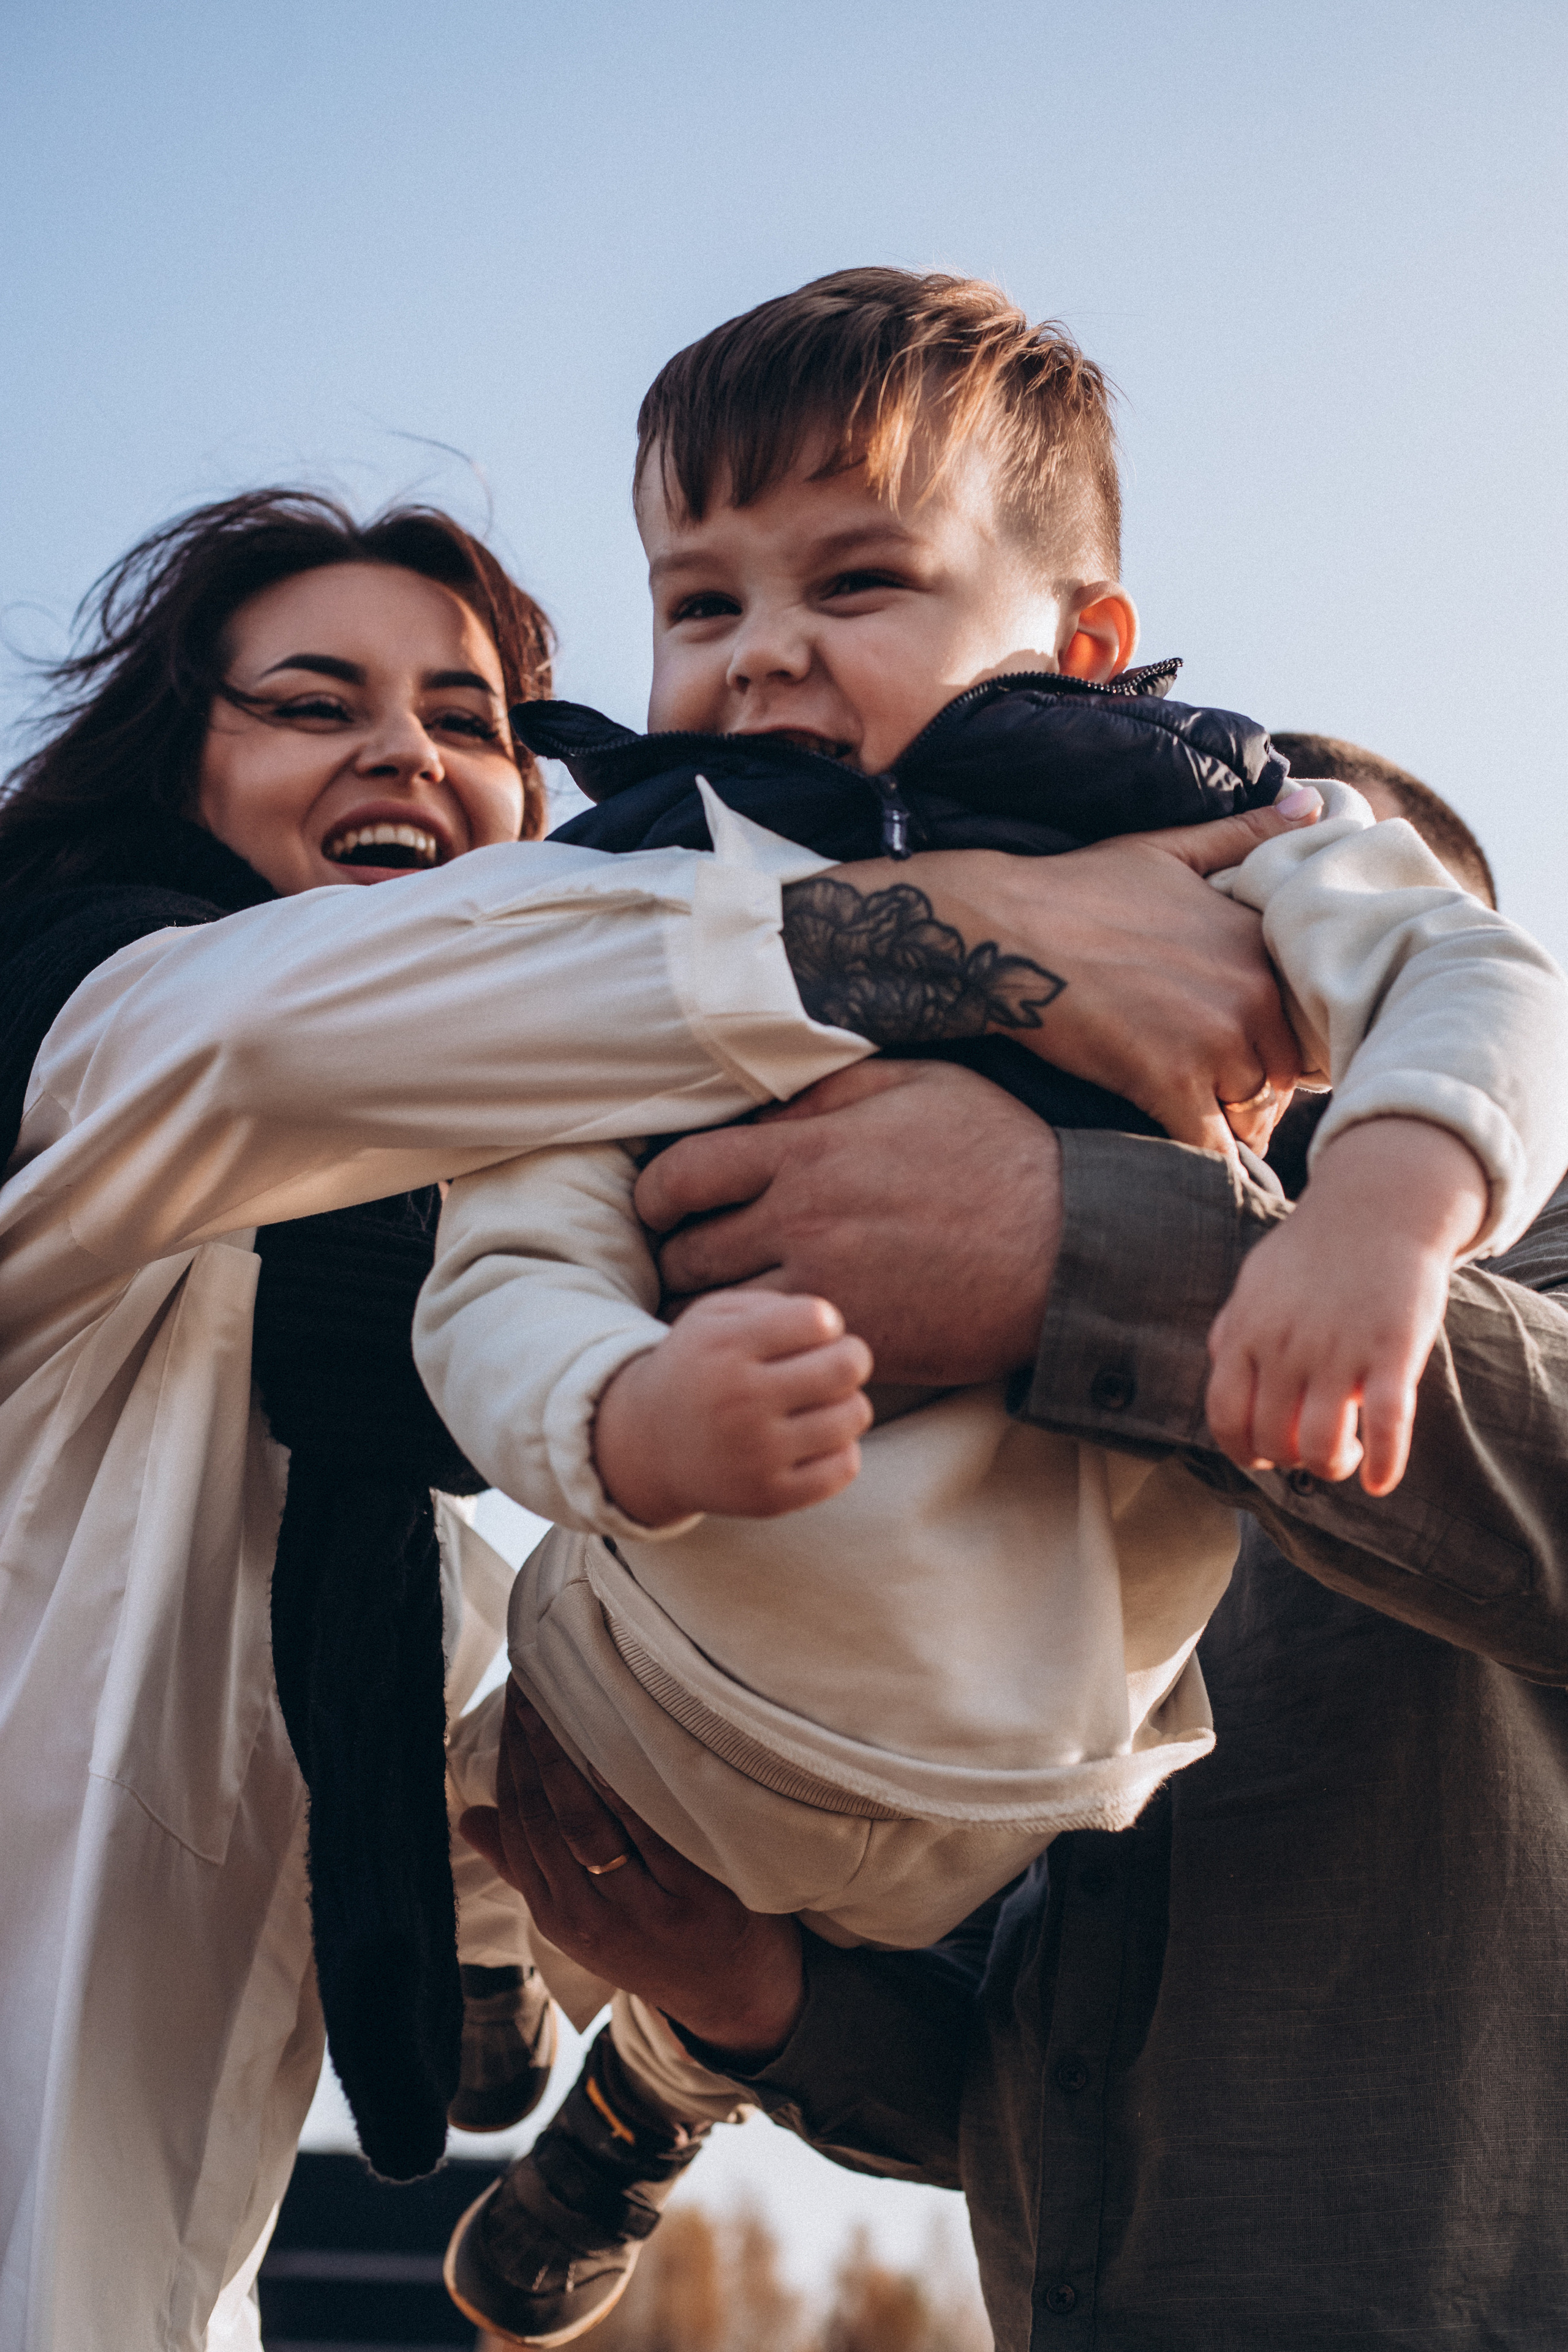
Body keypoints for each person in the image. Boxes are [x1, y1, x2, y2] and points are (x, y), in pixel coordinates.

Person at [413, 276, 1568, 2340]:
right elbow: (1045, 2088)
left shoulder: (1483, 1232)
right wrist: (758, 2004)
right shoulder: (760, 947)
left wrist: (1092, 1246)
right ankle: (630, 2093)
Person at [0, 487, 1164, 2352]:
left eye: (468, 722)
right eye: (313, 704)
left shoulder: (410, 1329)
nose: (405, 749)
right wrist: (992, 931)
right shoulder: (82, 1029)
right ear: (176, 768)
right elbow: (279, 1038)